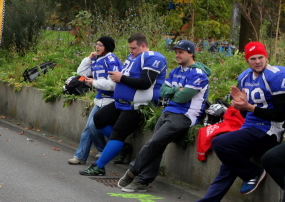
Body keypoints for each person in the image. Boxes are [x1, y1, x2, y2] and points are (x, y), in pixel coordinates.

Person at [171, 42, 285, 202]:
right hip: (250, 129)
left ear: (266, 57)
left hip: (269, 131)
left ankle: (252, 173)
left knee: (220, 142)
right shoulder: (244, 77)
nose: (257, 62)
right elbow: (246, 114)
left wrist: (249, 107)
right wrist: (241, 106)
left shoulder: (277, 75)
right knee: (227, 168)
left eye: (260, 57)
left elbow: (281, 114)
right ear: (247, 60)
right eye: (253, 58)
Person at [117, 40, 210, 192]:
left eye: (181, 52)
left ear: (191, 53)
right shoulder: (176, 71)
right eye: (176, 52)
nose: (177, 55)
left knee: (154, 142)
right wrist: (177, 90)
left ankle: (133, 171)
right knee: (157, 146)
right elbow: (162, 92)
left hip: (185, 115)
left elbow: (182, 98)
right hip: (168, 111)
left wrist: (174, 92)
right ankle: (143, 181)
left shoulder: (198, 74)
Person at [80, 33, 167, 175]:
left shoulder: (153, 57)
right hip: (121, 102)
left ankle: (99, 166)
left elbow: (145, 83)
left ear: (143, 45)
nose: (130, 51)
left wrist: (121, 78)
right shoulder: (133, 57)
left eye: (133, 48)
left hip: (137, 105)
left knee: (118, 133)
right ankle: (121, 147)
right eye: (130, 48)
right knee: (99, 119)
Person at [68, 37, 122, 165]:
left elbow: (113, 85)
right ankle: (81, 156)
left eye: (100, 45)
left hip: (111, 100)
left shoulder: (111, 60)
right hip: (100, 99)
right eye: (96, 44)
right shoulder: (97, 59)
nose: (97, 47)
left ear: (107, 47)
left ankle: (113, 148)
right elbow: (81, 72)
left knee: (92, 125)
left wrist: (94, 82)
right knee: (89, 128)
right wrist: (88, 59)